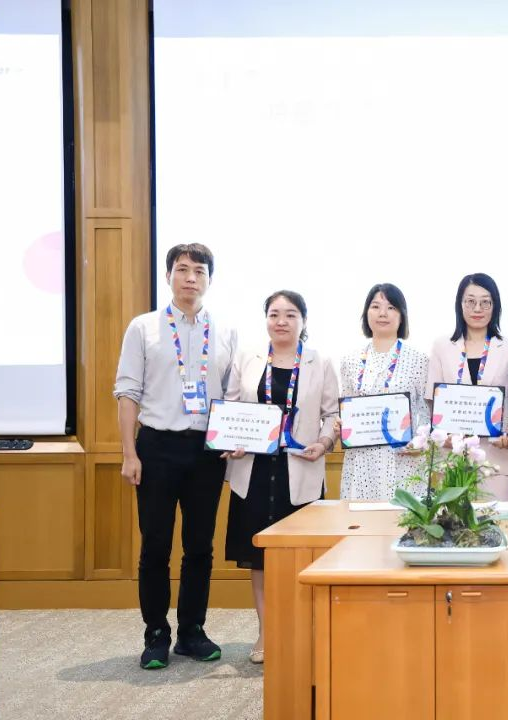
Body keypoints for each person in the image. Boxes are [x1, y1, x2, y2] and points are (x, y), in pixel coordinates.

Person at [114, 243, 237, 669]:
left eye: (199, 271)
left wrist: (232, 438)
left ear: (209, 279)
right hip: (157, 447)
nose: (190, 278)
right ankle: (155, 634)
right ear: (168, 276)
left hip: (206, 450)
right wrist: (129, 453)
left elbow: (233, 395)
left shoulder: (225, 331)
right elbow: (127, 392)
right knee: (155, 546)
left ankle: (191, 632)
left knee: (200, 546)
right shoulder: (143, 327)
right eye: (182, 269)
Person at [222, 290, 339, 664]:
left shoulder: (320, 362)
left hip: (299, 469)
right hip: (254, 470)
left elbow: (332, 414)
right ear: (266, 320)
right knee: (259, 558)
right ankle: (266, 632)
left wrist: (324, 442)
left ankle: (302, 630)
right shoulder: (248, 357)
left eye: (290, 314)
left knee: (301, 555)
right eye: (274, 314)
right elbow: (231, 408)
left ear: (303, 321)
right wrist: (232, 440)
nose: (282, 321)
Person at [425, 273, 508, 500]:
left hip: (496, 458)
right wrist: (442, 436)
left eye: (485, 302)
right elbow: (432, 400)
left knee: (495, 520)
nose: (477, 308)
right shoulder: (442, 346)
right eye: (470, 301)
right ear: (460, 305)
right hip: (451, 456)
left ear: (495, 306)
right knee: (452, 522)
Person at [340, 283, 429, 500]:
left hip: (403, 458)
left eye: (391, 307)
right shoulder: (350, 360)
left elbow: (426, 410)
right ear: (366, 313)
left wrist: (421, 441)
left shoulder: (419, 360)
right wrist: (341, 423)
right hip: (362, 460)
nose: (382, 313)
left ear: (402, 315)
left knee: (402, 518)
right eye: (375, 306)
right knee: (360, 517)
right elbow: (346, 407)